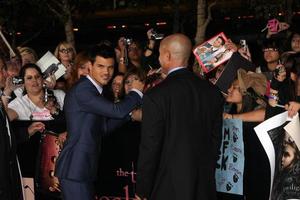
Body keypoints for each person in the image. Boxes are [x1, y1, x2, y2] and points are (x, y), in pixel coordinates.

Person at [135, 33, 224, 200]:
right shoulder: (211, 92)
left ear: (167, 55)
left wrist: (142, 188)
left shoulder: (156, 95)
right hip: (203, 185)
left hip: (167, 186)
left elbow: (150, 146)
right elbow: (215, 140)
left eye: (160, 54)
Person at [55, 43, 144, 200]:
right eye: (101, 66)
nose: (106, 72)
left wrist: (129, 115)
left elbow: (103, 128)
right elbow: (117, 111)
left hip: (82, 169)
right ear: (90, 66)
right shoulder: (84, 89)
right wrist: (136, 92)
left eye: (110, 67)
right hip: (75, 169)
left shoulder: (96, 90)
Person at [0, 58, 45, 200]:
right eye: (29, 78)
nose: (5, 74)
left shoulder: (58, 96)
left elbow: (5, 134)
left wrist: (27, 132)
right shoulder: (17, 103)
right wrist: (7, 92)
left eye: (37, 77)